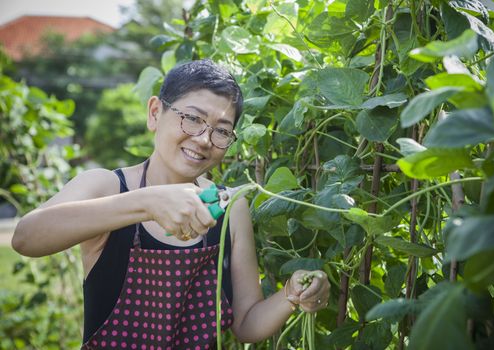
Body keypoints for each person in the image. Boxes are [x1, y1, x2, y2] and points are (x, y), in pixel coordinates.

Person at [12, 59, 330, 349]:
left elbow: (245, 323)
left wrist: (291, 296)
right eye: (192, 118)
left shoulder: (230, 207)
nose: (205, 139)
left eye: (221, 131)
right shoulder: (107, 185)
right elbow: (26, 237)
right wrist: (147, 202)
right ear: (155, 113)